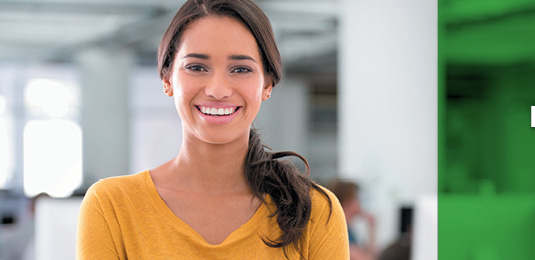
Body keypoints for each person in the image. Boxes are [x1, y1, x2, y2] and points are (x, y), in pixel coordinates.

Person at [76, 0, 349, 259]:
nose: (218, 90)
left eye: (241, 69)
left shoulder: (315, 211)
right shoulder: (112, 206)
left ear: (267, 84)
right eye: (196, 67)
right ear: (167, 79)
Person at [330, 181, 377, 260]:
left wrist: (371, 226)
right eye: (357, 198)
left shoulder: (348, 229)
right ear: (349, 201)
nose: (360, 203)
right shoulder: (340, 230)